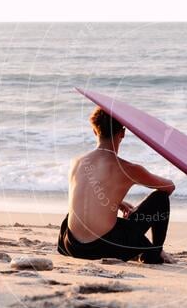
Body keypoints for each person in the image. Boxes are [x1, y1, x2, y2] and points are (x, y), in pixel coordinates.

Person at [58, 107, 175, 263]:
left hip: (70, 245)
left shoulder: (77, 162)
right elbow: (168, 187)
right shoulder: (127, 169)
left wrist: (116, 202)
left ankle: (143, 249)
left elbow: (86, 194)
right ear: (123, 133)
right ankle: (154, 253)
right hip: (104, 247)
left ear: (94, 131)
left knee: (74, 213)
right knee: (160, 199)